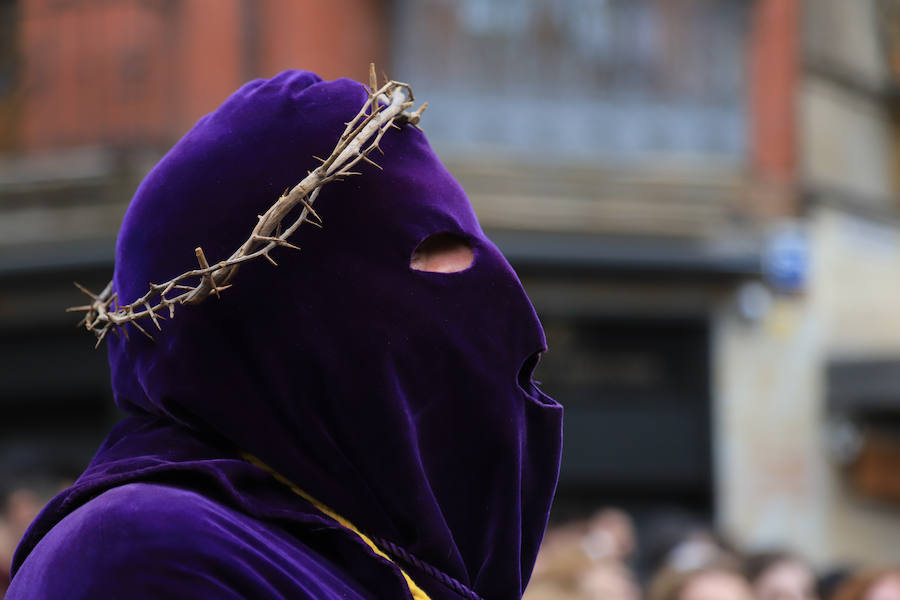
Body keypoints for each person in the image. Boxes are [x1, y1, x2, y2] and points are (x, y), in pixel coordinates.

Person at [6, 70, 564, 599]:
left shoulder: (351, 551)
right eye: (424, 249)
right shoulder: (142, 551)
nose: (497, 292)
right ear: (301, 316)